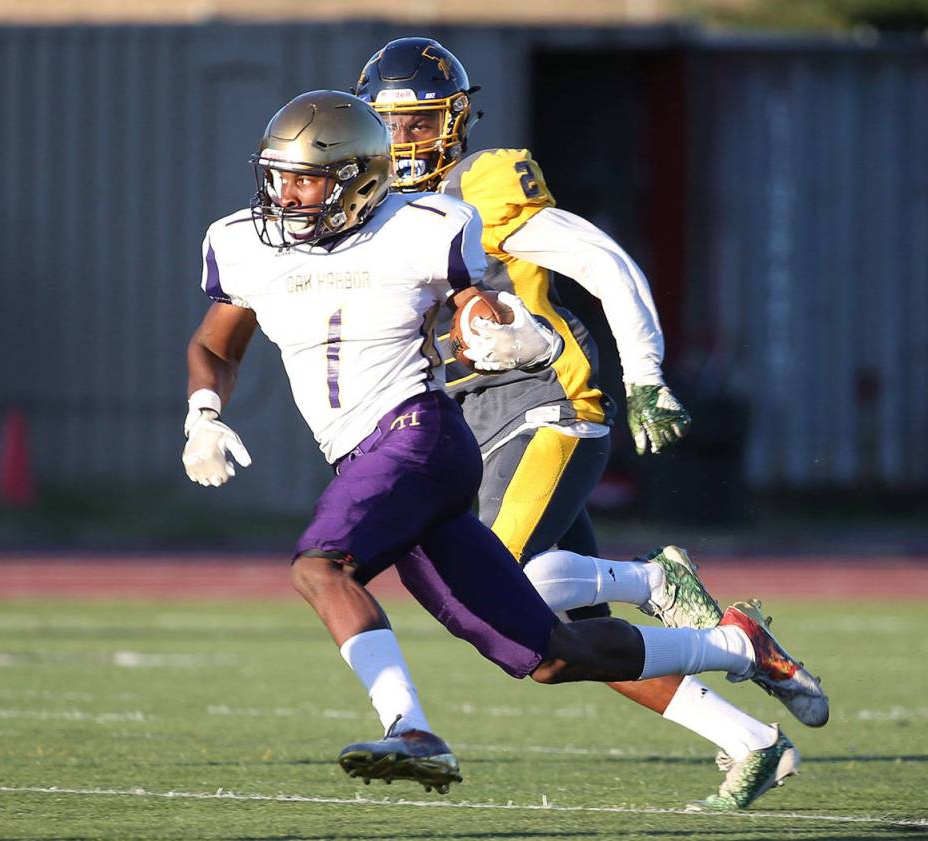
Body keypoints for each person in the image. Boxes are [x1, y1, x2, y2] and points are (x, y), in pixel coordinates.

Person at [182, 89, 826, 798]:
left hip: (435, 431)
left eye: (303, 178)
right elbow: (216, 343)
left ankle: (411, 725)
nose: (286, 194)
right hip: (402, 443)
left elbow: (509, 303)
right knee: (552, 652)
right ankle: (737, 653)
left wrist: (539, 339)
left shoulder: (434, 219)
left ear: (356, 178)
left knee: (320, 565)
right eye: (277, 176)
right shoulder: (246, 242)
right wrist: (203, 412)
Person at [353, 38, 827, 810]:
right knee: (565, 642)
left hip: (547, 403)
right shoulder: (381, 213)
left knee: (492, 582)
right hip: (474, 422)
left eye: (419, 123)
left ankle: (656, 578)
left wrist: (645, 374)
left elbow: (603, 261)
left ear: (455, 121)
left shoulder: (484, 185)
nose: (405, 141)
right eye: (391, 124)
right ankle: (751, 738)